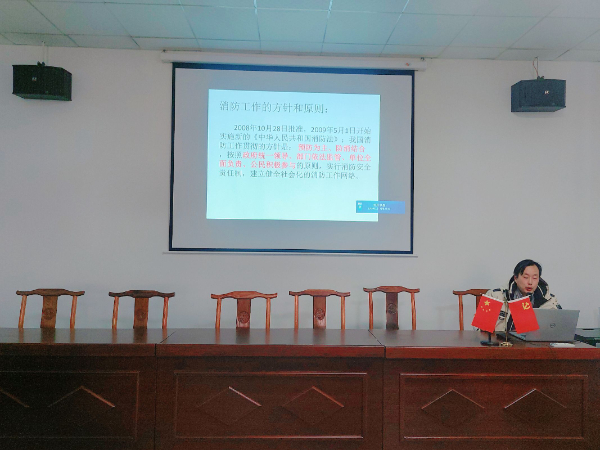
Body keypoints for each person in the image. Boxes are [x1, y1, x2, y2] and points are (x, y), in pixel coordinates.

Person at [485, 259, 560, 332]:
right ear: (516, 278)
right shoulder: (494, 296)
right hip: (501, 340)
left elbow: (558, 328)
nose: (530, 282)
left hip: (536, 340)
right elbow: (481, 330)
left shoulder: (549, 300)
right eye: (526, 277)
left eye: (534, 278)